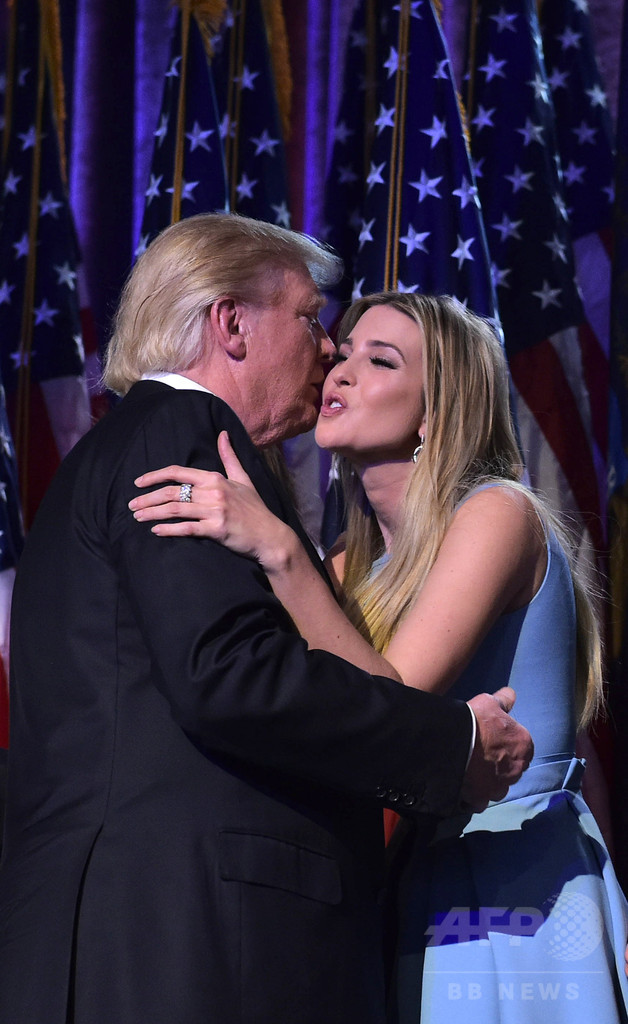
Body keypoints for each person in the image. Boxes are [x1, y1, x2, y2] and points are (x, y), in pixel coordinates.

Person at [0, 219, 532, 1024]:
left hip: (130, 939)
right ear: (231, 323)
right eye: (311, 318)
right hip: (193, 946)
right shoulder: (182, 435)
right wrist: (452, 745)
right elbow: (230, 674)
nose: (329, 348)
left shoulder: (121, 450)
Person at [131, 290, 628, 1023]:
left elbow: (393, 706)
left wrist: (277, 549)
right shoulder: (343, 567)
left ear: (436, 412)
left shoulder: (499, 513)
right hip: (407, 883)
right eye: (344, 351)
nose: (340, 370)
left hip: (515, 886)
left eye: (381, 360)